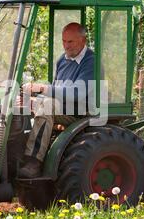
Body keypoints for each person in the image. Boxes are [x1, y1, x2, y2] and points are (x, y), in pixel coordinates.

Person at [18, 22, 95, 179]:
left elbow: (77, 94)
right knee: (23, 104)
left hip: (81, 110)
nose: (66, 46)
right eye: (64, 41)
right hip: (62, 107)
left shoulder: (91, 62)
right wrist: (32, 99)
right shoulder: (63, 60)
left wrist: (42, 89)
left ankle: (33, 161)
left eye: (70, 42)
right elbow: (56, 90)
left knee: (46, 106)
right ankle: (14, 155)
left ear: (83, 40)